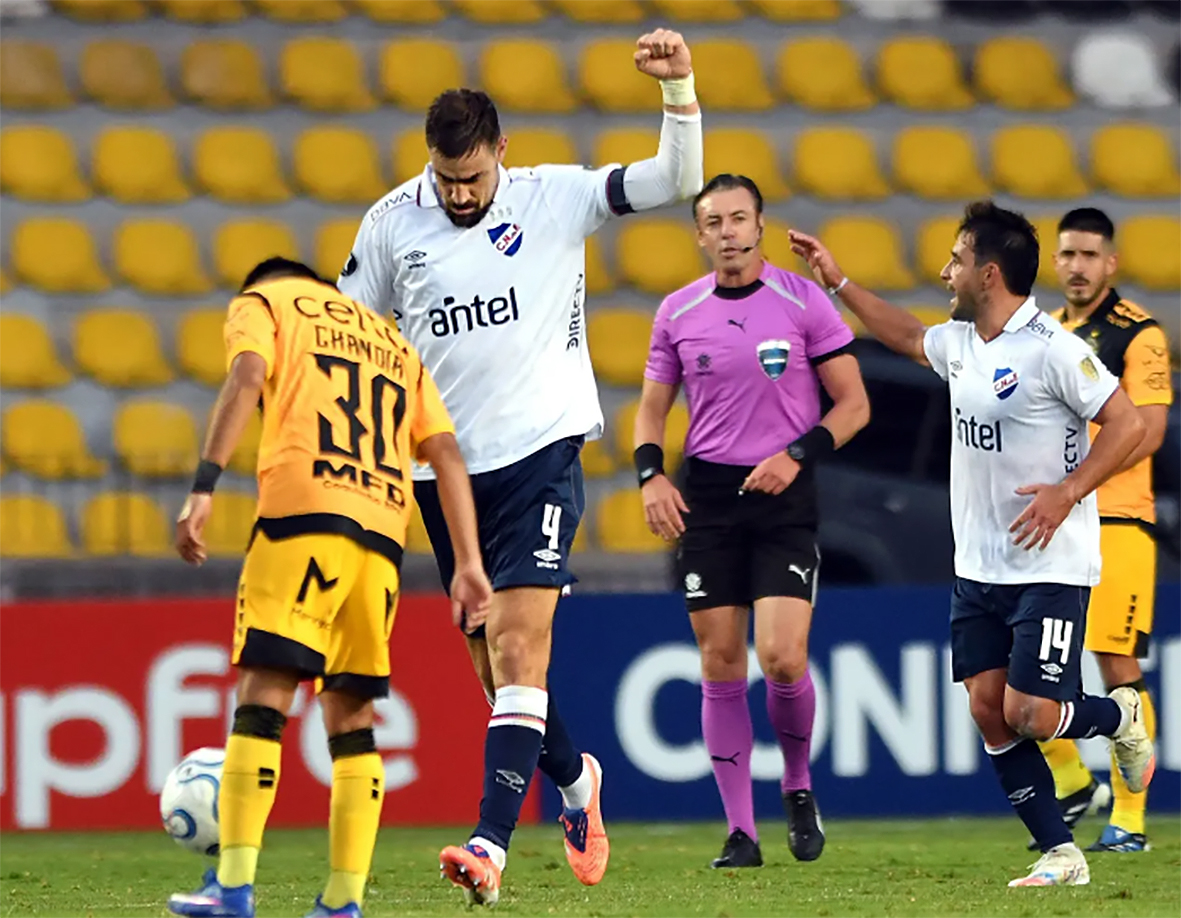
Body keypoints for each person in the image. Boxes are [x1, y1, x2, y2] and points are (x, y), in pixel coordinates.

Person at [337, 29, 704, 906]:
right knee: (500, 677)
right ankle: (578, 780)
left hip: (542, 454)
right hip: (446, 478)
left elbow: (673, 180)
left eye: (471, 178)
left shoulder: (553, 197)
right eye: (444, 179)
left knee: (517, 644)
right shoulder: (392, 223)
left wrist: (679, 89)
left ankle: (489, 846)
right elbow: (348, 333)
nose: (457, 195)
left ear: (501, 152)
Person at [788, 202, 1155, 887]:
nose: (942, 271)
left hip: (1049, 565)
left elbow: (1129, 424)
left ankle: (1118, 716)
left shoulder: (1052, 348)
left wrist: (1067, 491)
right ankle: (1060, 854)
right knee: (989, 713)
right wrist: (838, 283)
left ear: (987, 274)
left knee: (1030, 713)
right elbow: (902, 335)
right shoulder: (959, 342)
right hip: (976, 567)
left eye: (954, 260)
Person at [168, 258, 492, 918]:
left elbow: (248, 374)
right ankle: (341, 902)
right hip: (382, 533)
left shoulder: (264, 302)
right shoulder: (391, 342)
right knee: (351, 717)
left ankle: (232, 889)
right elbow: (446, 454)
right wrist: (466, 562)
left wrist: (204, 483)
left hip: (302, 514)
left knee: (265, 690)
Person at [634, 173, 870, 868]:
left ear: (759, 227)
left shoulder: (802, 302)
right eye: (714, 221)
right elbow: (651, 409)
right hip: (708, 495)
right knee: (719, 660)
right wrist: (650, 476)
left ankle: (796, 784)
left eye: (740, 218)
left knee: (782, 656)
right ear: (700, 234)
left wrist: (796, 455)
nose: (728, 231)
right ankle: (740, 831)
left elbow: (851, 405)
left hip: (784, 493)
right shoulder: (677, 311)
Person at [1036, 208, 1173, 853]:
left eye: (1089, 255)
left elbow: (1148, 432)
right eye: (1067, 254)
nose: (1077, 266)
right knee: (1032, 658)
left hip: (1116, 519)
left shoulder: (1137, 334)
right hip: (1061, 520)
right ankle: (1071, 780)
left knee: (1116, 664)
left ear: (1110, 263)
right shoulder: (1046, 334)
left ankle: (1131, 822)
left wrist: (1079, 478)